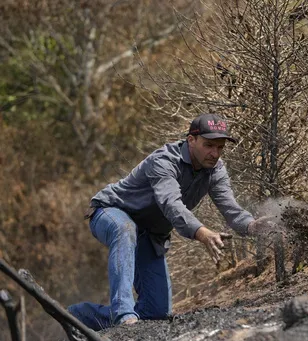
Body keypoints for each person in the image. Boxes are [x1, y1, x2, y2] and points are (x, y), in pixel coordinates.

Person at [68, 113, 269, 331]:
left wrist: (253, 226)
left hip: (150, 234)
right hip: (110, 212)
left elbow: (232, 210)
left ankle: (81, 317)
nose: (215, 153)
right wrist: (202, 233)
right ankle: (123, 315)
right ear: (191, 140)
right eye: (209, 145)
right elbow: (171, 205)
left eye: (220, 147)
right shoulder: (164, 161)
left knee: (156, 314)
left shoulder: (216, 170)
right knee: (125, 228)